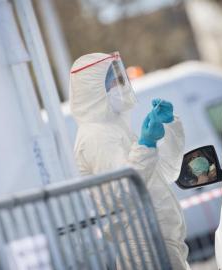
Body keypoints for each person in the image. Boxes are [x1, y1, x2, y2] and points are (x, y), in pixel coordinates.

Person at [69, 52, 189, 269]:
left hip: (161, 239)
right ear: (94, 90)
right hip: (145, 246)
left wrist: (171, 127)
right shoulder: (95, 136)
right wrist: (145, 145)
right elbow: (123, 191)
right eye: (116, 81)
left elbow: (167, 172)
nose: (122, 85)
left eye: (121, 79)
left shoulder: (115, 128)